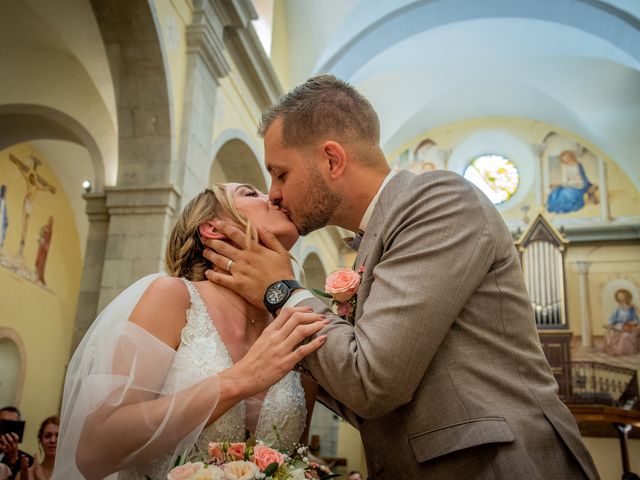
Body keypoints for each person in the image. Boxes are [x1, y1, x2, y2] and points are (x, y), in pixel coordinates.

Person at [202, 75, 601, 479]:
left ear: (332, 160)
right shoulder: (373, 239)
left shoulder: (438, 201)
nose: (273, 193)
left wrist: (281, 290)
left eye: (280, 173)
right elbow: (360, 391)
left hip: (502, 466)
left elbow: (372, 382)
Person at [52, 184, 327, 480]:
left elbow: (293, 460)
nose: (272, 196)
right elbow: (93, 451)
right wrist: (240, 379)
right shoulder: (174, 298)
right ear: (212, 228)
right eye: (250, 193)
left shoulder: (294, 328)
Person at [16, 416, 58, 480]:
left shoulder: (71, 473)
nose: (52, 440)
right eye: (47, 436)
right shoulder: (27, 473)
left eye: (58, 436)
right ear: (40, 441)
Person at [603, 289, 639, 356]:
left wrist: (632, 323)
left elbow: (637, 319)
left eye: (622, 295)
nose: (621, 298)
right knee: (609, 332)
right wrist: (610, 324)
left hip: (630, 327)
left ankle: (618, 351)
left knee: (624, 335)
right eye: (619, 296)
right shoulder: (618, 307)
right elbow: (612, 318)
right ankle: (611, 350)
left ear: (627, 296)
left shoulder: (632, 307)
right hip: (619, 326)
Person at [0, 406, 33, 479]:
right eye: (2, 424)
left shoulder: (27, 461)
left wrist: (13, 462)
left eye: (11, 425)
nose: (6, 429)